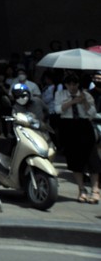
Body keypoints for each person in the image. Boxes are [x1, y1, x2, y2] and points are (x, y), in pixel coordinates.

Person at [54, 73, 100, 204]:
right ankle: (81, 190)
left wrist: (84, 101)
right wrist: (72, 102)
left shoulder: (87, 95)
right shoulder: (60, 94)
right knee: (75, 159)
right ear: (66, 85)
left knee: (92, 159)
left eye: (75, 84)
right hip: (68, 126)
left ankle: (95, 190)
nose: (72, 87)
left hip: (84, 125)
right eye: (69, 84)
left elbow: (92, 113)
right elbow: (57, 110)